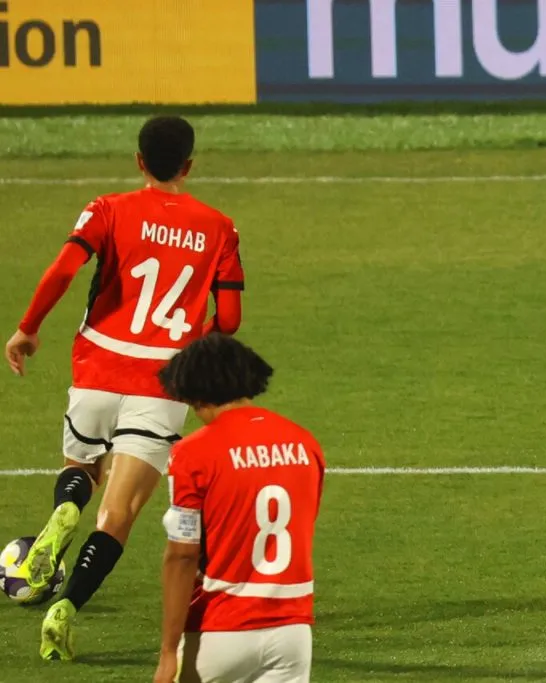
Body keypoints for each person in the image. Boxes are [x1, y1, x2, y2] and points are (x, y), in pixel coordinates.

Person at [4, 115, 244, 661]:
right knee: (119, 516)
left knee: (81, 470)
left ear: (139, 161)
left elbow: (64, 271)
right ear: (189, 165)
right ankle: (65, 607)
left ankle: (66, 510)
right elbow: (228, 319)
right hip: (163, 383)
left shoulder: (107, 209)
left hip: (97, 368)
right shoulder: (220, 227)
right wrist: (186, 343)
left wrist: (28, 328)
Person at [152, 333, 324, 683]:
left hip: (221, 630)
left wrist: (168, 650)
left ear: (195, 392)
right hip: (293, 633)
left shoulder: (193, 452)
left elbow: (183, 556)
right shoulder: (306, 443)